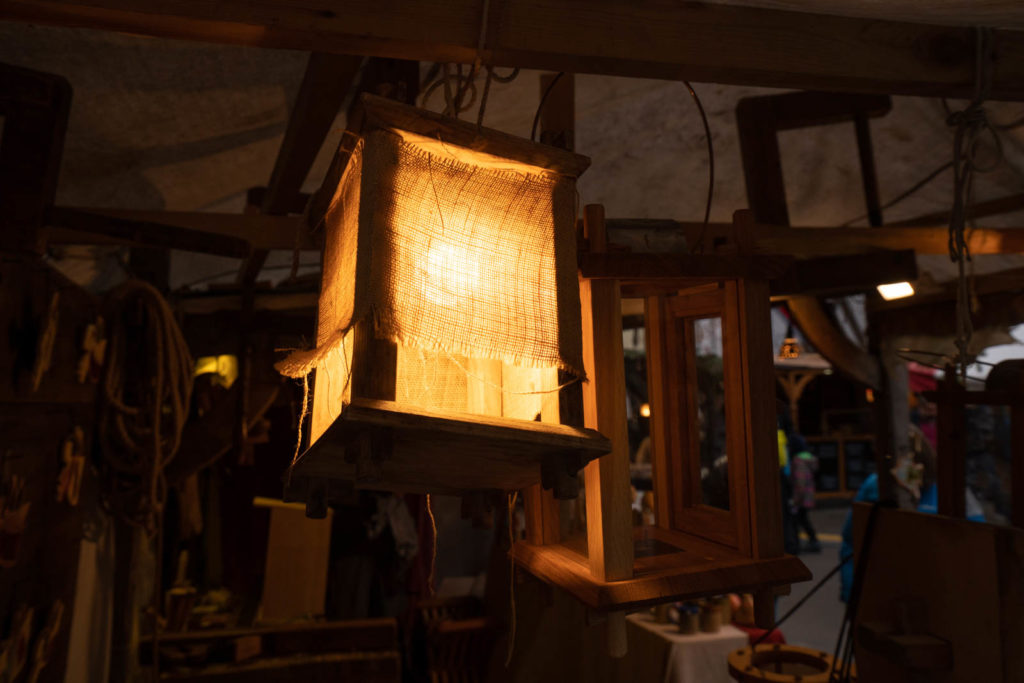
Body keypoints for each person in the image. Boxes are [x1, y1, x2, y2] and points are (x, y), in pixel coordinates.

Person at [788, 434, 820, 553]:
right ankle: (812, 540)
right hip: (808, 496)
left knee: (798, 520)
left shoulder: (798, 461)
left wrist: (795, 500)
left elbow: (800, 482)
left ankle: (804, 542)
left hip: (801, 498)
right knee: (803, 519)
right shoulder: (808, 459)